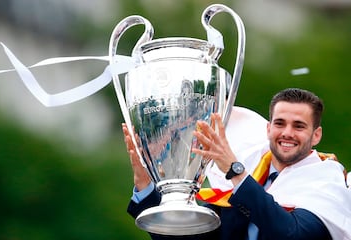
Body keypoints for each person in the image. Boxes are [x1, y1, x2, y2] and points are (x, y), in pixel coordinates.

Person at [124, 88, 351, 240]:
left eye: (299, 126)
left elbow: (292, 234)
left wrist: (235, 171)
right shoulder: (252, 168)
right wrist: (145, 187)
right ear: (268, 128)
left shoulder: (326, 180)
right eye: (280, 123)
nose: (287, 133)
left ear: (316, 135)